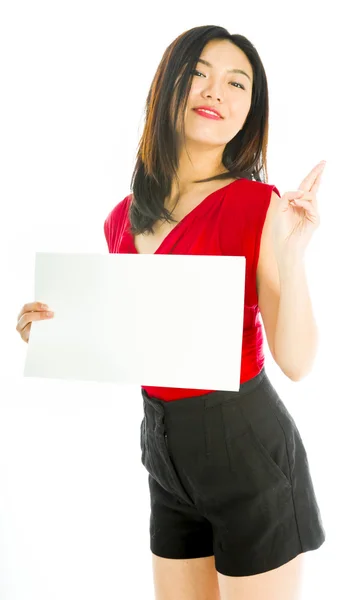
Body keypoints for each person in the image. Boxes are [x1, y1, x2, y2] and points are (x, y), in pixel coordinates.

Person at [16, 25, 326, 600]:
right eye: (200, 73)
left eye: (237, 83)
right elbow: (143, 339)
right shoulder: (122, 218)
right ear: (170, 85)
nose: (216, 91)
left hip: (248, 453)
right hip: (165, 456)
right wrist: (57, 335)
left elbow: (298, 361)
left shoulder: (261, 206)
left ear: (248, 113)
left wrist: (292, 254)